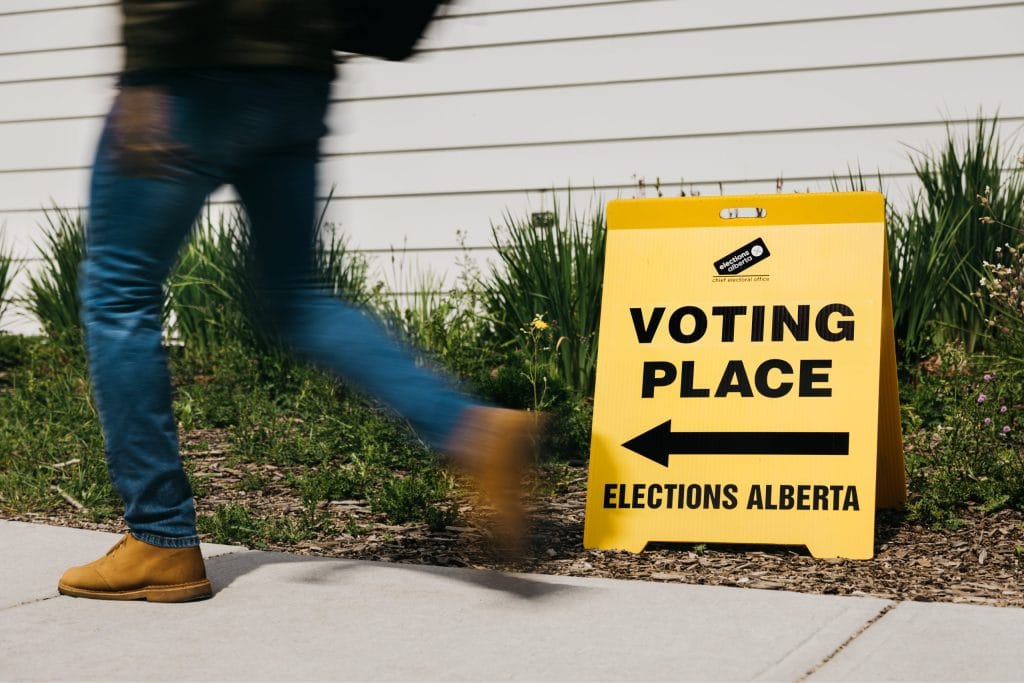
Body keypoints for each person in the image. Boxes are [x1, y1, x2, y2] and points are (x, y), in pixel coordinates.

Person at [58, 0, 538, 603]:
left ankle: (160, 538)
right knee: (299, 298)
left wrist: (145, 72)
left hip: (195, 70)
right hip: (298, 78)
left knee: (120, 293)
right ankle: (469, 428)